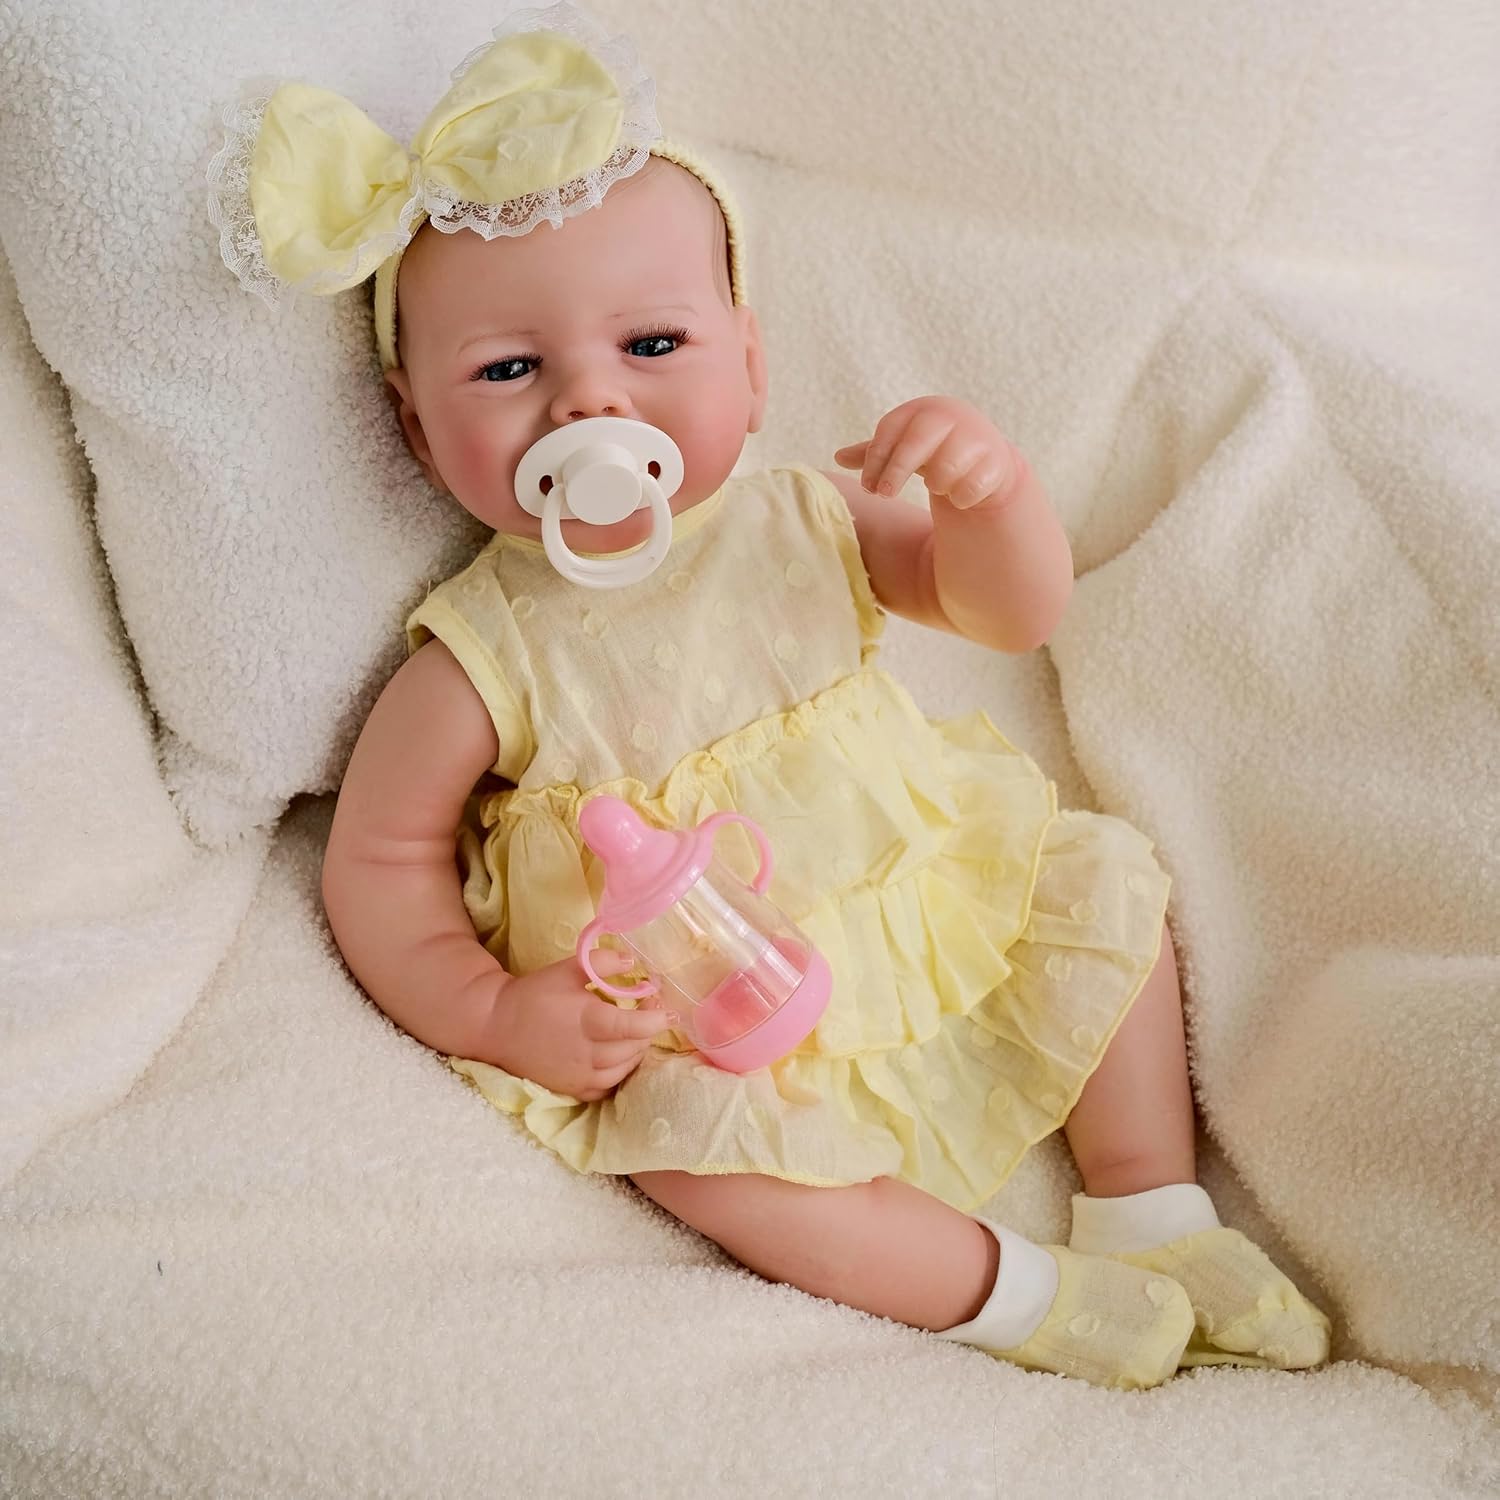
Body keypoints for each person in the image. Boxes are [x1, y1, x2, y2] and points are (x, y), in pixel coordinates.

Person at [212, 3, 1330, 1389]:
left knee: (1102, 902)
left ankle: (1150, 1204)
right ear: (415, 426)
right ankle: (1023, 1297)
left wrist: (988, 500)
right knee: (708, 1166)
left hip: (919, 892)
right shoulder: (481, 654)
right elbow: (380, 864)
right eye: (508, 370)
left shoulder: (803, 519)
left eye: (653, 346)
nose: (589, 406)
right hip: (705, 1007)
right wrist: (496, 1014)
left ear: (750, 360)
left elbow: (1010, 612)